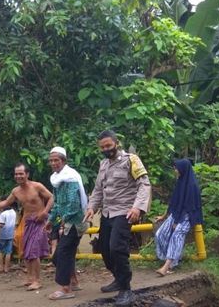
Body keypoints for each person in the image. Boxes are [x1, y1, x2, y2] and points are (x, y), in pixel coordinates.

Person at [83, 130, 151, 307]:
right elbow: (98, 189)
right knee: (104, 248)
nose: (106, 149)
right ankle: (118, 279)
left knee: (117, 248)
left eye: (109, 145)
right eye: (102, 147)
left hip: (125, 211)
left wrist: (137, 207)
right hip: (107, 212)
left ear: (116, 143)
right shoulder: (103, 164)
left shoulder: (131, 160)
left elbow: (144, 184)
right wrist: (91, 207)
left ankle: (126, 288)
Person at [0, 163, 53, 291]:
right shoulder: (16, 191)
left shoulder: (37, 186)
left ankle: (37, 281)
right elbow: (6, 202)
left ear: (27, 174)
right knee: (26, 251)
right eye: (16, 174)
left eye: (21, 173)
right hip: (27, 222)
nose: (18, 176)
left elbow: (51, 197)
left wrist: (45, 213)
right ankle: (30, 278)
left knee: (33, 251)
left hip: (39, 222)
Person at [46, 147, 88, 300]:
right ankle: (73, 281)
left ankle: (66, 289)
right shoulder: (57, 179)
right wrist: (51, 220)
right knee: (63, 254)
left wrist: (64, 219)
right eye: (51, 160)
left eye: (56, 160)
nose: (53, 163)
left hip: (75, 222)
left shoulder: (70, 177)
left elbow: (73, 203)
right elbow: (57, 203)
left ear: (63, 161)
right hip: (66, 221)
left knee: (62, 253)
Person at [154, 159, 203, 276]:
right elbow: (174, 202)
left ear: (183, 169)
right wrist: (164, 216)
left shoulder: (192, 186)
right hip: (176, 213)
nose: (175, 171)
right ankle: (171, 262)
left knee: (176, 236)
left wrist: (178, 221)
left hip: (186, 217)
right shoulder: (181, 182)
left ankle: (166, 267)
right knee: (160, 234)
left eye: (176, 168)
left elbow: (188, 207)